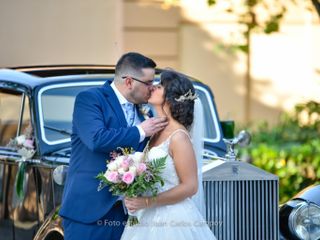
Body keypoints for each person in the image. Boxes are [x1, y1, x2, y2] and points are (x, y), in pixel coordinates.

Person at [59, 52, 168, 240]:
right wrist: (140, 131)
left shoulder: (145, 110)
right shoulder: (90, 99)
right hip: (89, 212)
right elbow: (96, 139)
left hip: (130, 215)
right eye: (148, 83)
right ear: (129, 82)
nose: (152, 88)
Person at [121, 70, 216, 240]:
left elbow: (191, 186)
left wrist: (147, 202)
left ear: (172, 97)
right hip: (146, 218)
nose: (153, 87)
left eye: (160, 86)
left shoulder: (178, 136)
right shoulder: (155, 131)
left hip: (173, 222)